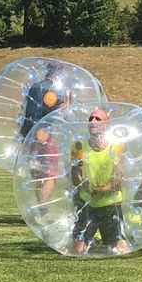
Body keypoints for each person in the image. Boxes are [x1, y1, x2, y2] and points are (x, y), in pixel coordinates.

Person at [70, 108, 127, 255]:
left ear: (107, 125)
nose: (92, 121)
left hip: (110, 203)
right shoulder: (79, 146)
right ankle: (91, 239)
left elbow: (119, 174)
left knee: (119, 250)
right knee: (77, 250)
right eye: (90, 118)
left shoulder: (116, 146)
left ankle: (105, 238)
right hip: (87, 202)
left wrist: (104, 189)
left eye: (97, 119)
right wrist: (84, 185)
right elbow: (75, 171)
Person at [19, 62, 70, 140]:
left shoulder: (35, 86)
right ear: (58, 72)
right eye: (61, 73)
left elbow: (26, 108)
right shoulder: (56, 90)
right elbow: (64, 113)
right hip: (43, 135)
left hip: (26, 132)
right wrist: (68, 97)